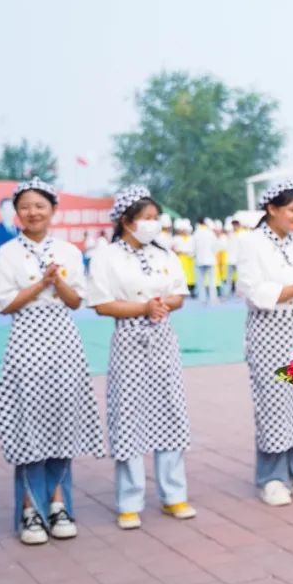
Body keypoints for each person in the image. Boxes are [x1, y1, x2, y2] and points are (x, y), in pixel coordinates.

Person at [0, 178, 104, 545]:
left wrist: (58, 282)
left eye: (40, 205)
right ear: (16, 212)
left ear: (53, 210)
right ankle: (29, 510)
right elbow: (5, 304)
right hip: (26, 340)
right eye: (25, 206)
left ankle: (58, 504)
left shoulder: (69, 251)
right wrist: (40, 285)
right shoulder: (7, 253)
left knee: (62, 418)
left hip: (63, 341)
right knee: (28, 421)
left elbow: (75, 302)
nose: (32, 212)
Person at [87, 185, 196, 530]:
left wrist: (163, 305)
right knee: (129, 416)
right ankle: (129, 500)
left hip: (163, 337)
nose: (152, 225)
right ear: (126, 220)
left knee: (169, 410)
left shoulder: (165, 252)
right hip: (129, 339)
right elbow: (102, 304)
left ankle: (173, 494)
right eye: (145, 219)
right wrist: (143, 307)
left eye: (155, 218)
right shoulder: (107, 255)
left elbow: (179, 293)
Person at [237, 180, 293, 506]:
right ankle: (272, 478)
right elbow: (253, 290)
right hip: (269, 330)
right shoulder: (251, 243)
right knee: (274, 402)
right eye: (292, 210)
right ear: (271, 209)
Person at [191, 217, 219, 304]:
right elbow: (215, 246)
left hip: (200, 260)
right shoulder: (210, 233)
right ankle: (213, 299)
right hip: (210, 259)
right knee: (212, 281)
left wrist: (194, 255)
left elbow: (193, 248)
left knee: (200, 282)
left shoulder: (196, 234)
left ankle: (202, 299)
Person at [172, 219, 196, 295]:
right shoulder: (176, 238)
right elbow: (173, 248)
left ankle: (191, 289)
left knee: (191, 275)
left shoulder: (191, 238)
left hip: (190, 259)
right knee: (182, 274)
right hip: (181, 259)